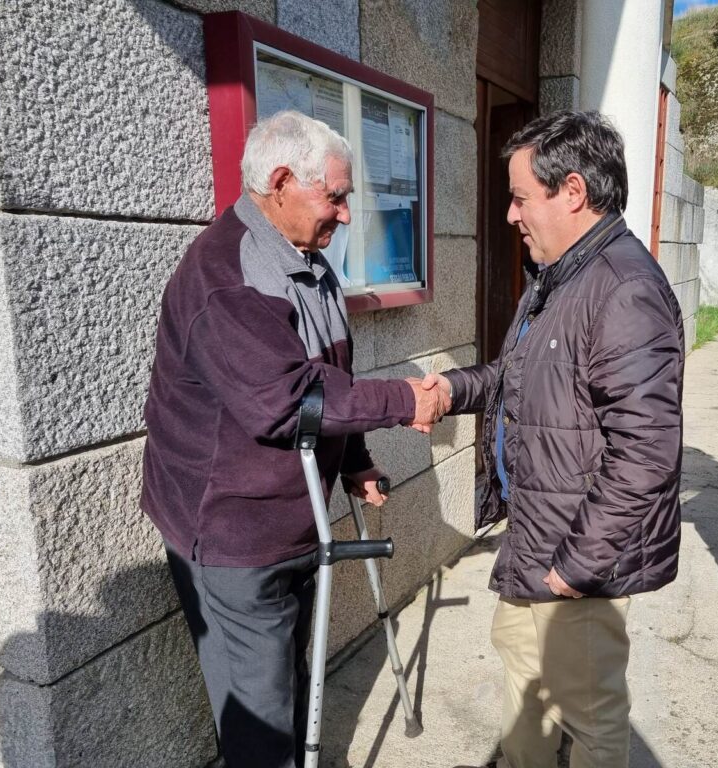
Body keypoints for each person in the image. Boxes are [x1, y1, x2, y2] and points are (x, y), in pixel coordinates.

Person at [140, 111, 447, 768]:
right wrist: (406, 402)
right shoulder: (226, 278)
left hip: (295, 519)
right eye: (333, 196)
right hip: (232, 536)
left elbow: (331, 378)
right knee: (262, 713)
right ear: (280, 182)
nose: (343, 214)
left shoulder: (306, 260)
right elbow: (282, 401)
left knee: (294, 677)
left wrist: (357, 459)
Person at [422, 110, 684, 768]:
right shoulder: (559, 278)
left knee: (588, 712)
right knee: (523, 681)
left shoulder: (624, 292)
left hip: (573, 555)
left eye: (518, 197)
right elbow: (520, 378)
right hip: (535, 530)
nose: (511, 216)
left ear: (571, 191)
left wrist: (577, 566)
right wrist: (453, 388)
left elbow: (646, 454)